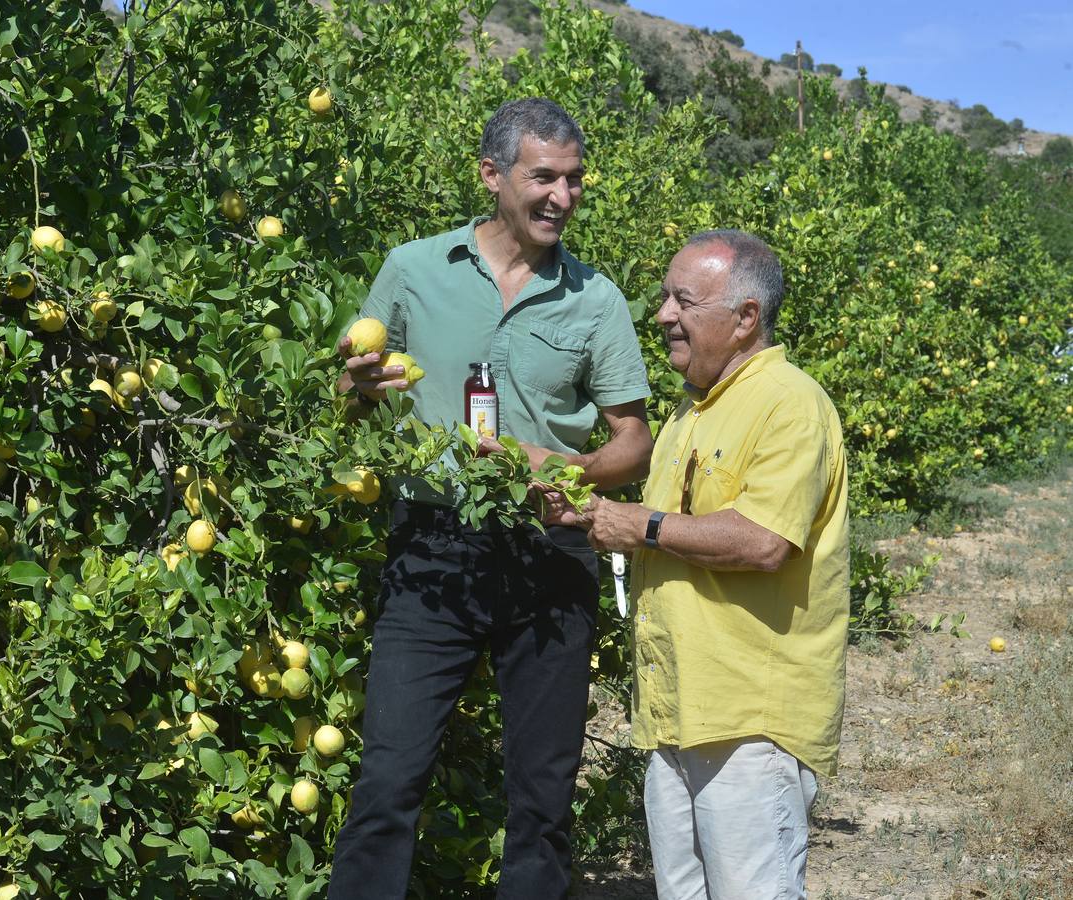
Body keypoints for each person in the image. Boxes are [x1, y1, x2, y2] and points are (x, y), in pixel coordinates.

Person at [327, 98, 653, 899]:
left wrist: (563, 467)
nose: (563, 197)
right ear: (492, 175)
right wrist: (353, 385)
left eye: (575, 181)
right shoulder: (412, 270)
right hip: (433, 550)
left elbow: (633, 441)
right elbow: (347, 396)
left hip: (549, 551)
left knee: (542, 798)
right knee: (388, 781)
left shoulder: (596, 299)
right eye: (545, 177)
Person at [550, 230, 849, 900]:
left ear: (745, 319)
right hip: (679, 708)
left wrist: (640, 525)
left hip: (749, 720)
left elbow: (765, 541)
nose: (661, 314)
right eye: (664, 297)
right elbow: (675, 534)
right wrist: (594, 515)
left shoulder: (789, 404)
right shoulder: (691, 412)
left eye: (682, 300)